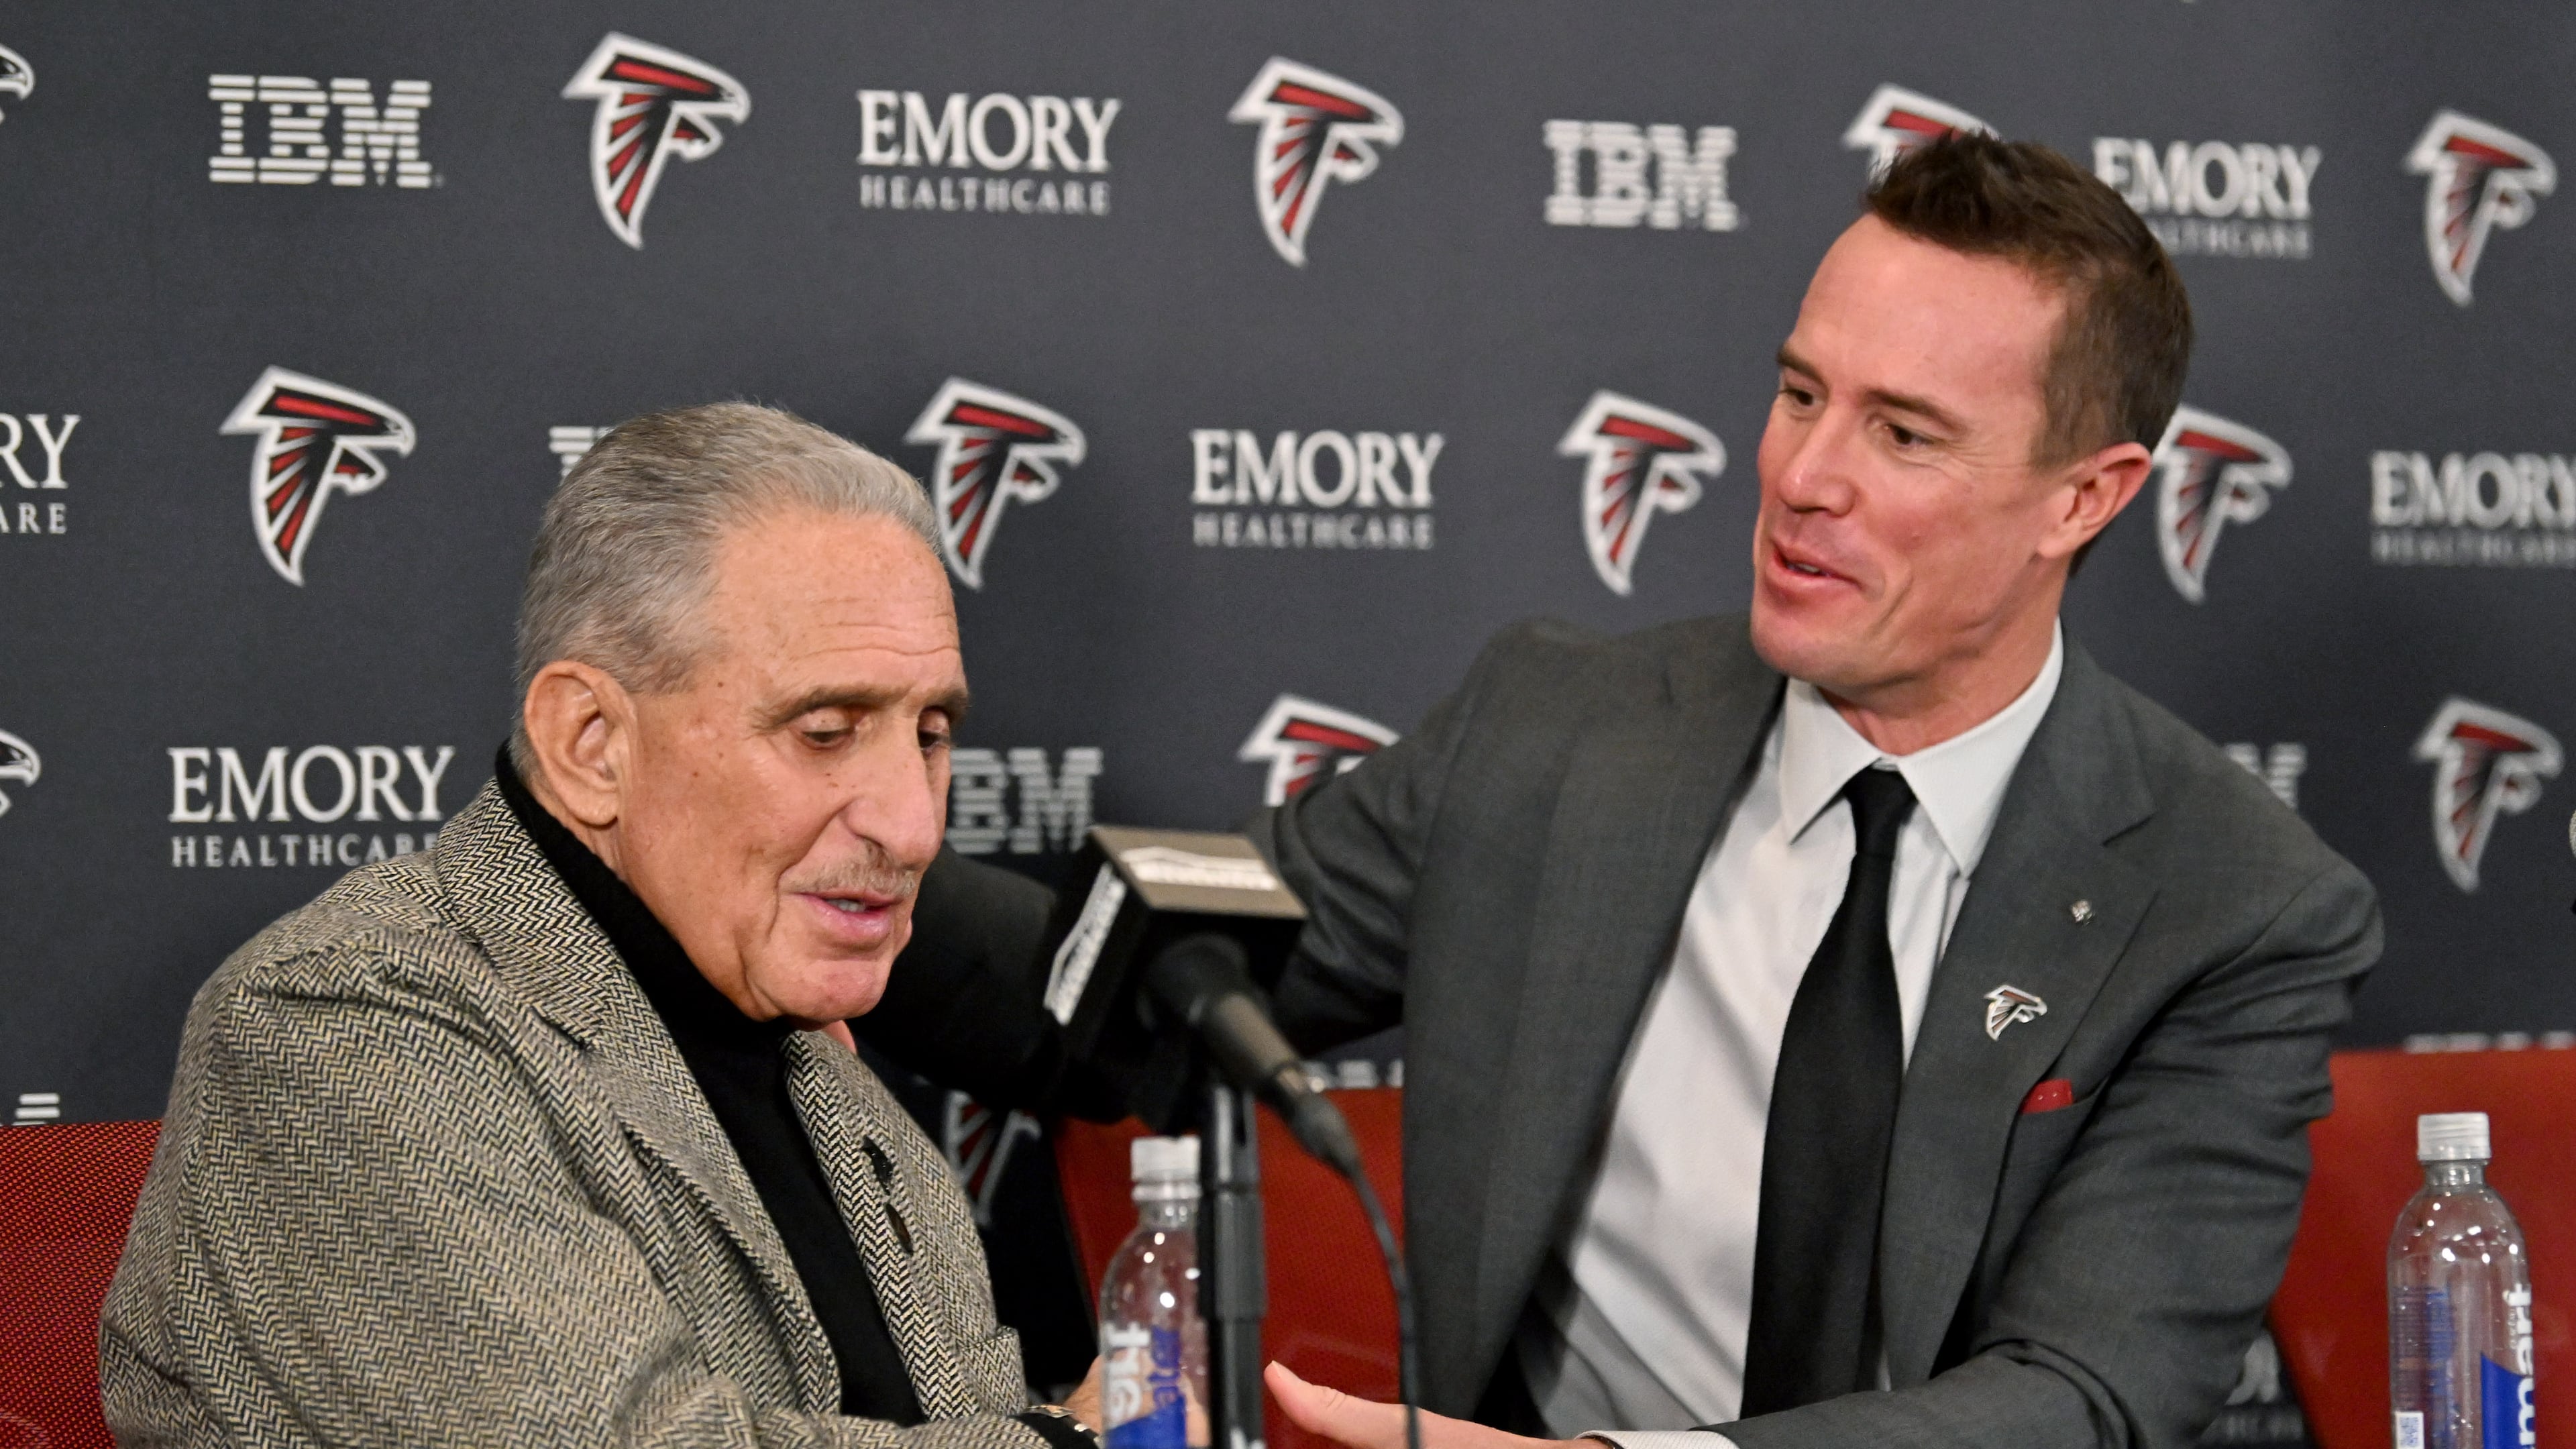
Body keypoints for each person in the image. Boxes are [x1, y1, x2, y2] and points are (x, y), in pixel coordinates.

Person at [874, 134, 2381, 1449]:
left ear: (2088, 498)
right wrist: (785, 853)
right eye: (1801, 394)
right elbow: (1131, 995)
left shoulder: (2232, 905)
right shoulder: (1556, 735)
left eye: (1902, 433)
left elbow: (2091, 1396)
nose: (1803, 474)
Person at [103, 404, 1102, 1449]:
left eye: (931, 733)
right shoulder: (336, 1027)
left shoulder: (808, 1055)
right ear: (589, 744)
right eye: (825, 732)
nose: (911, 822)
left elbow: (978, 1422)